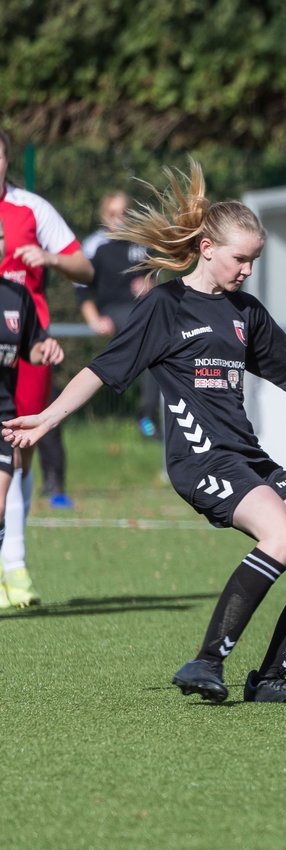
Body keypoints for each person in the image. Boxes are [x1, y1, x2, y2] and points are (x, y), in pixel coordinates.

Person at [3, 160, 286, 705]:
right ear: (207, 247)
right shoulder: (164, 305)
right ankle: (207, 661)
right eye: (240, 259)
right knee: (280, 536)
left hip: (247, 457)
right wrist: (46, 418)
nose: (246, 271)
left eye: (254, 261)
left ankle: (271, 678)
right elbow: (102, 370)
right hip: (201, 460)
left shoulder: (245, 312)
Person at [0, 128, 93, 601]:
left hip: (25, 344)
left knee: (19, 451)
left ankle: (13, 566)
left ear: (6, 158)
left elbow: (85, 269)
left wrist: (50, 258)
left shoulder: (31, 208)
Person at [0, 217, 64, 609]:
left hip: (3, 417)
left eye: (2, 235)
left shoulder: (16, 296)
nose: (1, 241)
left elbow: (32, 346)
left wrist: (47, 350)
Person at [77, 190, 161, 440]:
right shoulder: (95, 245)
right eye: (113, 213)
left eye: (124, 212)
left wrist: (149, 283)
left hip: (144, 310)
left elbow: (157, 276)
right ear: (104, 215)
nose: (119, 218)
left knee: (160, 349)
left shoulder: (142, 242)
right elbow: (81, 289)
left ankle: (150, 415)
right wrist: (93, 319)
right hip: (115, 311)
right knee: (149, 339)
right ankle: (146, 417)